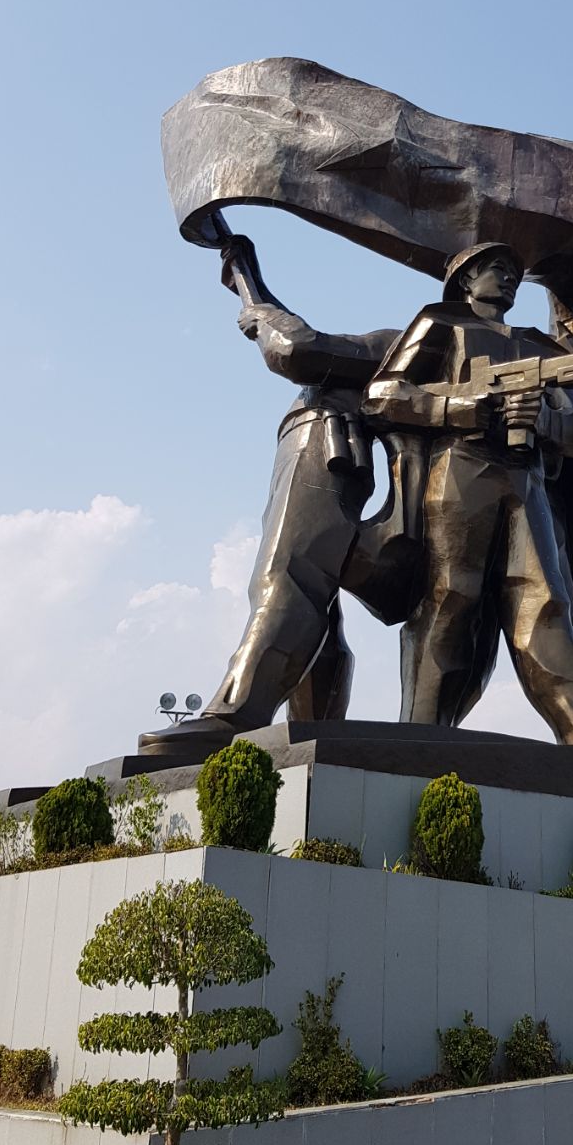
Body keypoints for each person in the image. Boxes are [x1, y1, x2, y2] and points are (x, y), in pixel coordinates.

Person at [138, 236, 398, 758]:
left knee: (288, 575)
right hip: (331, 449)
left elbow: (298, 350)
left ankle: (237, 714)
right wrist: (250, 281)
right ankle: (317, 730)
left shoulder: (408, 343)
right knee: (318, 599)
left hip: (328, 445)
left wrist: (258, 310)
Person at [361, 241, 573, 746]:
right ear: (466, 279)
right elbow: (382, 394)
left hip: (525, 481)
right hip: (462, 470)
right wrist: (456, 409)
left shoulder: (540, 347)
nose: (509, 280)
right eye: (497, 269)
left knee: (546, 601)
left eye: (515, 274)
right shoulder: (441, 323)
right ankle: (421, 734)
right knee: (450, 597)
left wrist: (545, 421)